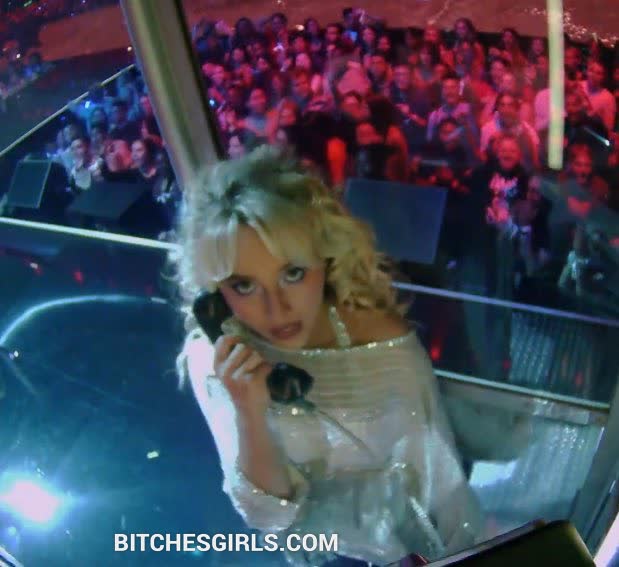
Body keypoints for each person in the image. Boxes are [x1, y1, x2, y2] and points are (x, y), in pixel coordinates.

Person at [174, 146, 487, 567]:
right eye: (244, 286)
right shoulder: (216, 359)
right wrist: (249, 411)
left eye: (293, 274)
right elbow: (268, 516)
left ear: (324, 258)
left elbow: (441, 483)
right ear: (214, 294)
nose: (277, 309)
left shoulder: (380, 340)